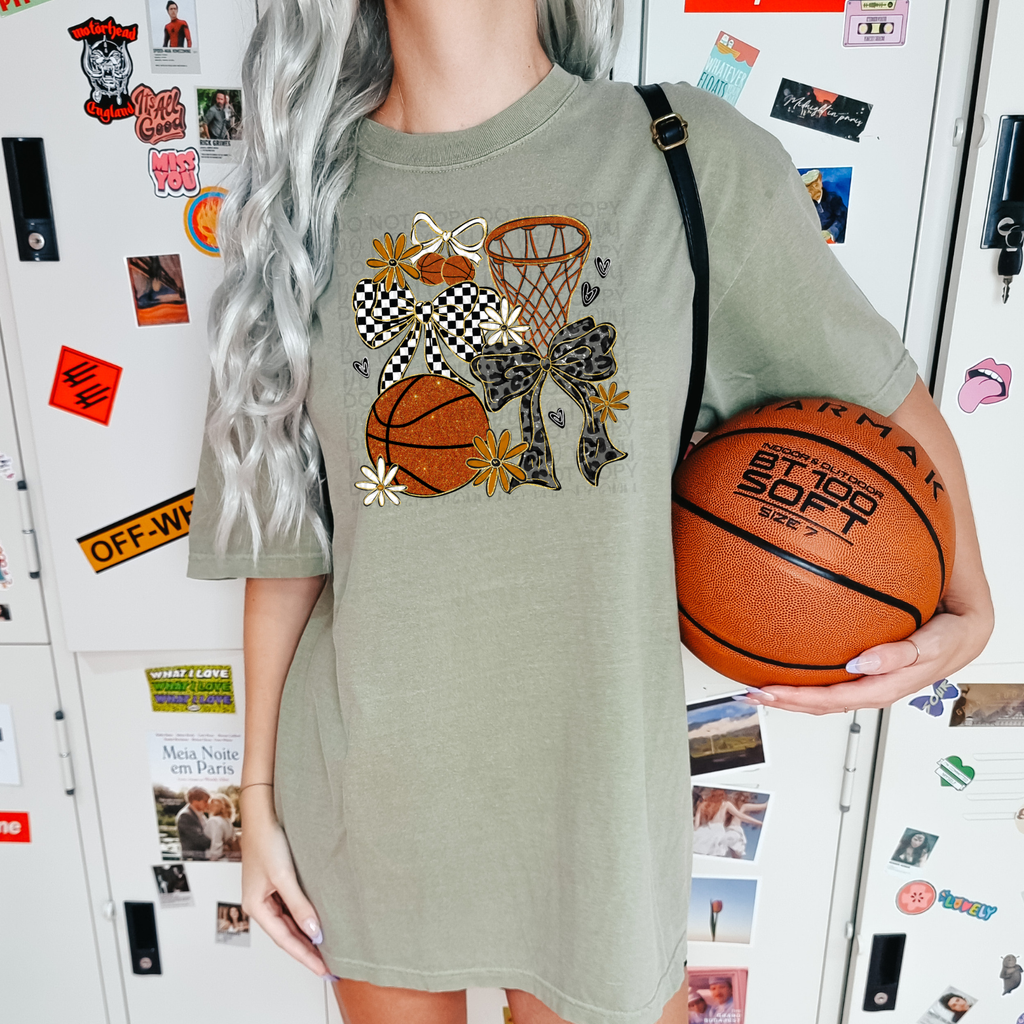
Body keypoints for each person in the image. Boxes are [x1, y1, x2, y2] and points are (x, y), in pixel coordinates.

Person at [186, 2, 994, 1023]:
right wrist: (257, 798)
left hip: (601, 795)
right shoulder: (301, 206)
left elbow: (884, 405)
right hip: (371, 786)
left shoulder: (683, 157)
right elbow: (288, 550)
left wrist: (971, 607)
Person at [693, 789, 763, 858]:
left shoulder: (702, 805)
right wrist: (759, 822)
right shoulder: (725, 804)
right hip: (718, 833)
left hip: (703, 832)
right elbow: (740, 816)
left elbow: (696, 826)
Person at [801, 168, 849, 244]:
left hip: (835, 239)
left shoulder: (833, 198)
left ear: (820, 181)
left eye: (816, 185)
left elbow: (842, 218)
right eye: (810, 189)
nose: (815, 190)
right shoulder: (804, 204)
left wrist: (830, 232)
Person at [175, 786, 210, 860]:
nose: (208, 804)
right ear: (195, 801)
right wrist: (220, 843)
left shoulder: (200, 814)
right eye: (205, 801)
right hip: (192, 860)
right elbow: (199, 840)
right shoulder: (185, 816)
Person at [203, 793, 238, 861]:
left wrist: (212, 862)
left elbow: (216, 844)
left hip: (215, 860)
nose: (208, 806)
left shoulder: (214, 821)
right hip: (225, 858)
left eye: (211, 803)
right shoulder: (228, 822)